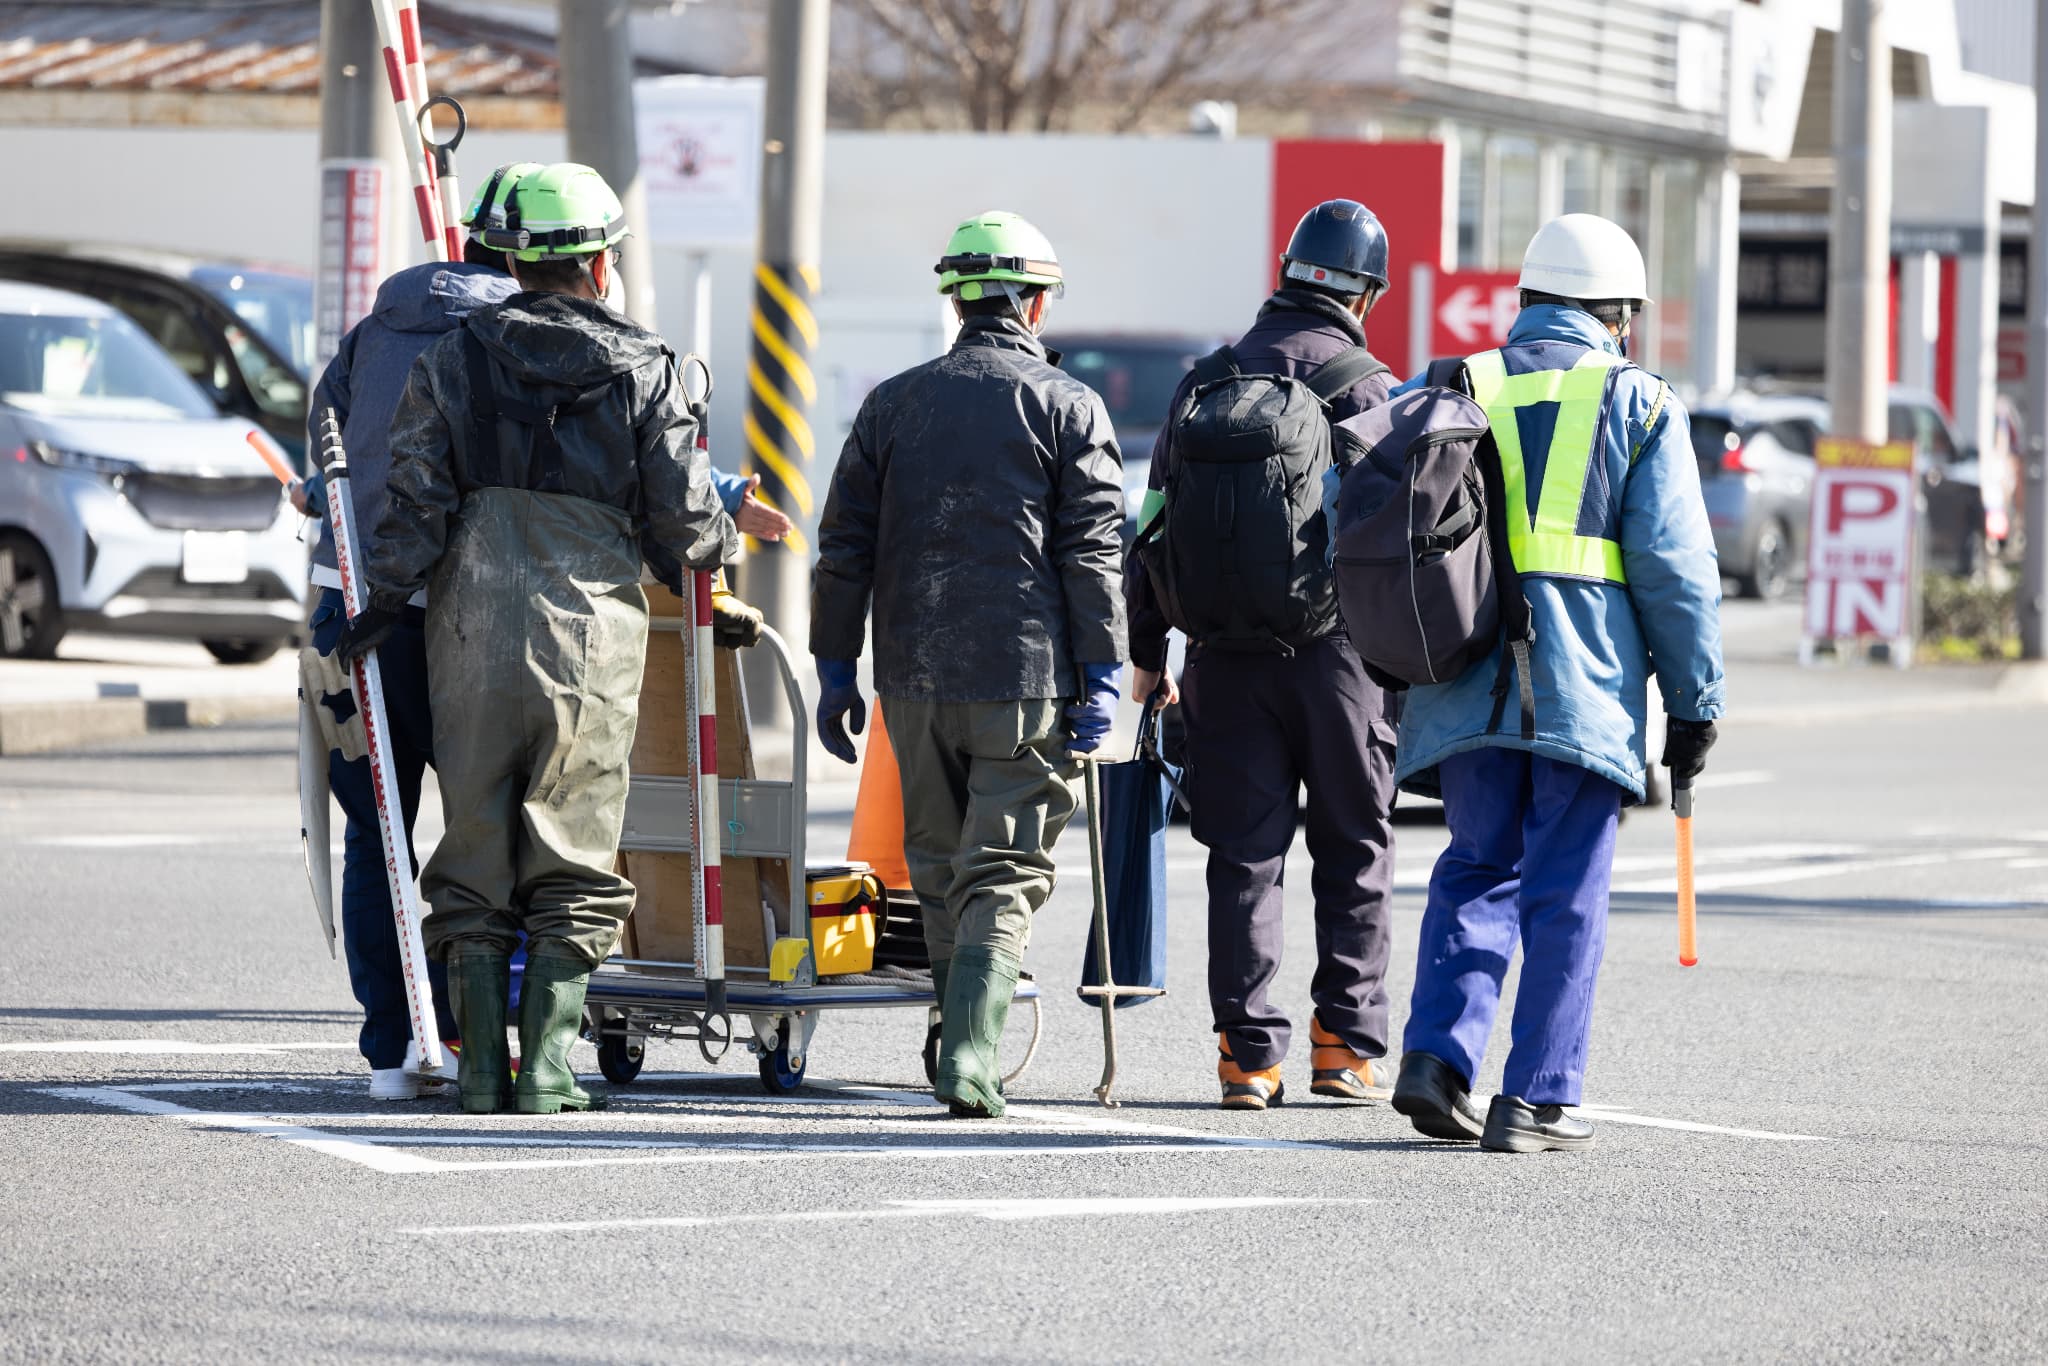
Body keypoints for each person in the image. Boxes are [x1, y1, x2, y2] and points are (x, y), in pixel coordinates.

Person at [340, 163, 743, 1116]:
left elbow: (412, 507)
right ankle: (550, 1072)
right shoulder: (651, 368)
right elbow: (685, 525)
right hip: (590, 636)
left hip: (467, 632)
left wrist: (377, 606)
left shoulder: (452, 359)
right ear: (601, 264)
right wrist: (721, 544)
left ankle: (479, 1068)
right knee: (574, 849)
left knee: (473, 842)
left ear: (512, 260)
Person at [1386, 213, 1724, 1153]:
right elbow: (1676, 570)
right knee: (1565, 889)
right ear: (1618, 312)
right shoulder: (1640, 402)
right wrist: (1695, 705)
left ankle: (1435, 1060)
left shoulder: (1452, 383)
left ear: (1527, 300)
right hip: (1582, 688)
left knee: (1475, 865)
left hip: (1460, 677)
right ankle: (1534, 1098)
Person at [811, 210, 1126, 1120]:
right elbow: (1093, 552)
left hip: (912, 675)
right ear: (1033, 300)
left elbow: (845, 547)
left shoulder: (893, 402)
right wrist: (1103, 673)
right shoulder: (1069, 406)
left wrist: (837, 666)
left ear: (957, 298)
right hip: (1026, 678)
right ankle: (969, 1060)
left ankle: (957, 1046)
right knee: (1004, 871)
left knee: (943, 868)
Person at [1125, 199, 1400, 1111]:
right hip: (1338, 658)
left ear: (1287, 272)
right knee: (1354, 847)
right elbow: (1397, 539)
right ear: (1365, 291)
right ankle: (1343, 1048)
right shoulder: (1367, 386)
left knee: (1244, 860)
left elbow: (1152, 525)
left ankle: (1249, 1061)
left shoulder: (1207, 378)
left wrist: (1146, 653)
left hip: (1220, 656)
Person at [297, 162, 535, 1101]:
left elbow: (327, 456)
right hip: (467, 611)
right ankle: (485, 1039)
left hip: (351, 612)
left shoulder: (370, 330)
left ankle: (395, 1046)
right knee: (496, 827)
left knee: (375, 830)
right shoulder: (517, 341)